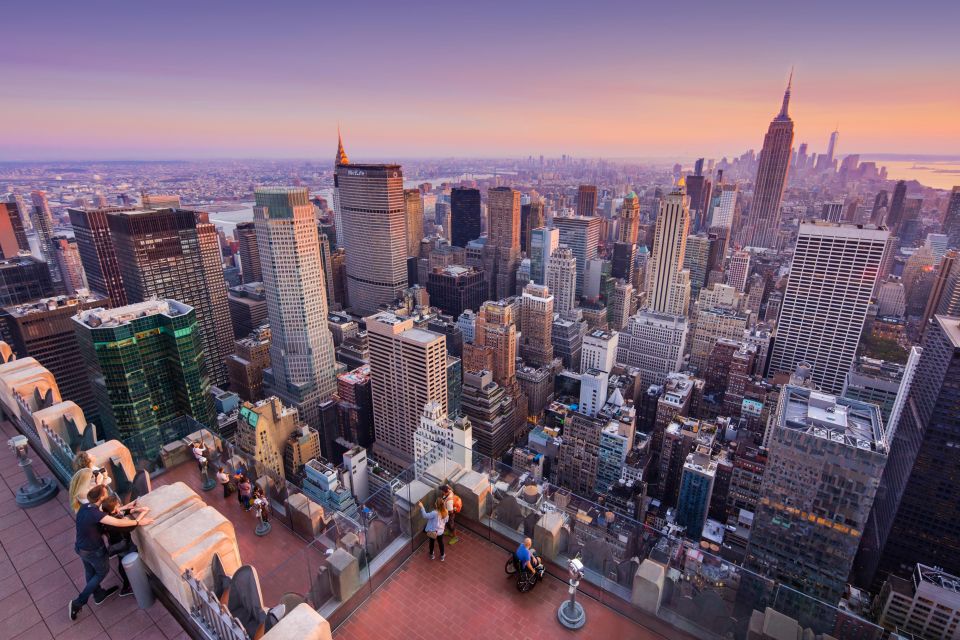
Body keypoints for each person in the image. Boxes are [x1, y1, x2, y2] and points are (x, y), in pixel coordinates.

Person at [69, 485, 154, 621]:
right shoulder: (97, 514)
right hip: (94, 551)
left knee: (90, 572)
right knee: (101, 573)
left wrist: (127, 506)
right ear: (100, 498)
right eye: (105, 494)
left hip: (80, 548)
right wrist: (138, 521)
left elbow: (111, 512)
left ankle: (98, 595)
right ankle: (78, 602)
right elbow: (116, 522)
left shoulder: (86, 507)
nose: (107, 495)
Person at [99, 496, 150, 596]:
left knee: (122, 562)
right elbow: (129, 526)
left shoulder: (108, 516)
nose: (119, 506)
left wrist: (136, 509)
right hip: (124, 545)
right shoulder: (114, 522)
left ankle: (127, 584)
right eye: (118, 505)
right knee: (131, 562)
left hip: (117, 544)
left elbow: (123, 512)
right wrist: (143, 514)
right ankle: (130, 584)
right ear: (114, 509)